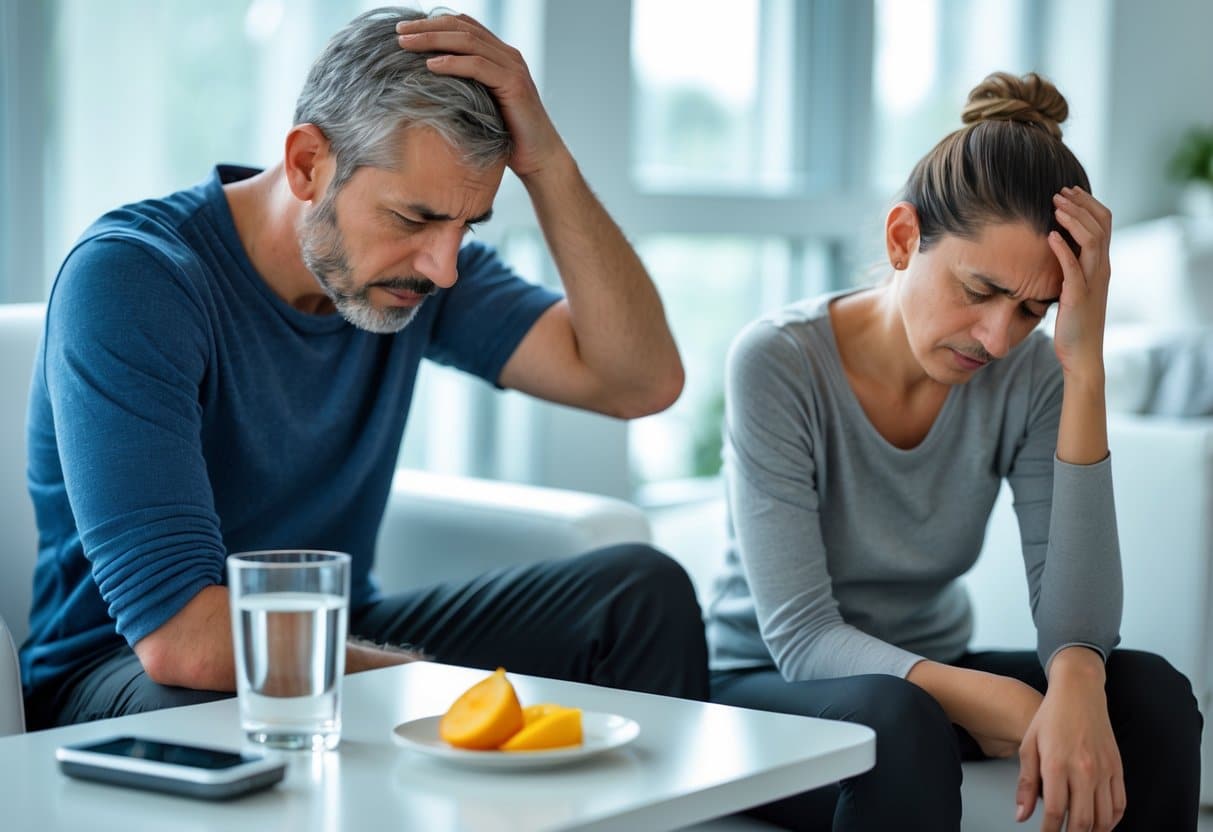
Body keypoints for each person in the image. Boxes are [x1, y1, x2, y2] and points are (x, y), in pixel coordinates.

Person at [20, 7, 708, 729]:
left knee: (636, 592)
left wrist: (549, 165)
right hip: (124, 678)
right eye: (413, 219)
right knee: (235, 699)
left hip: (329, 644)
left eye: (464, 226)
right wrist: (434, 690)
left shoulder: (407, 272)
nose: (442, 268)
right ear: (308, 164)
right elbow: (182, 641)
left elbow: (638, 381)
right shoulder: (134, 280)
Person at [705, 72, 1202, 831]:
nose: (997, 338)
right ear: (903, 238)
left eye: (1032, 308)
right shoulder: (778, 361)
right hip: (766, 685)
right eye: (977, 290)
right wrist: (1003, 701)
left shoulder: (1030, 374)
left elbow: (1076, 618)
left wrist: (1083, 368)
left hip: (923, 680)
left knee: (1150, 699)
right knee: (902, 721)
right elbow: (803, 638)